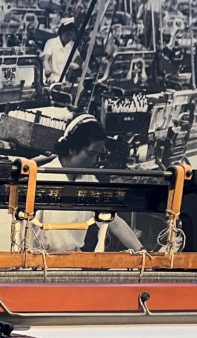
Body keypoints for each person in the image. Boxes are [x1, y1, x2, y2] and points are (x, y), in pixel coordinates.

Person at [36, 115, 144, 252]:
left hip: (74, 259)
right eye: (91, 154)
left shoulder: (88, 180)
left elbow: (114, 222)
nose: (94, 161)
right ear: (72, 148)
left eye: (98, 155)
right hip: (41, 259)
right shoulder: (43, 178)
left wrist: (142, 251)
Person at [40, 18, 77, 83]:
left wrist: (89, 72)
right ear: (62, 32)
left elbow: (79, 60)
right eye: (67, 34)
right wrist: (47, 69)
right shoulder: (51, 42)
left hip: (62, 80)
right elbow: (45, 60)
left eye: (71, 35)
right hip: (50, 79)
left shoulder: (71, 45)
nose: (69, 37)